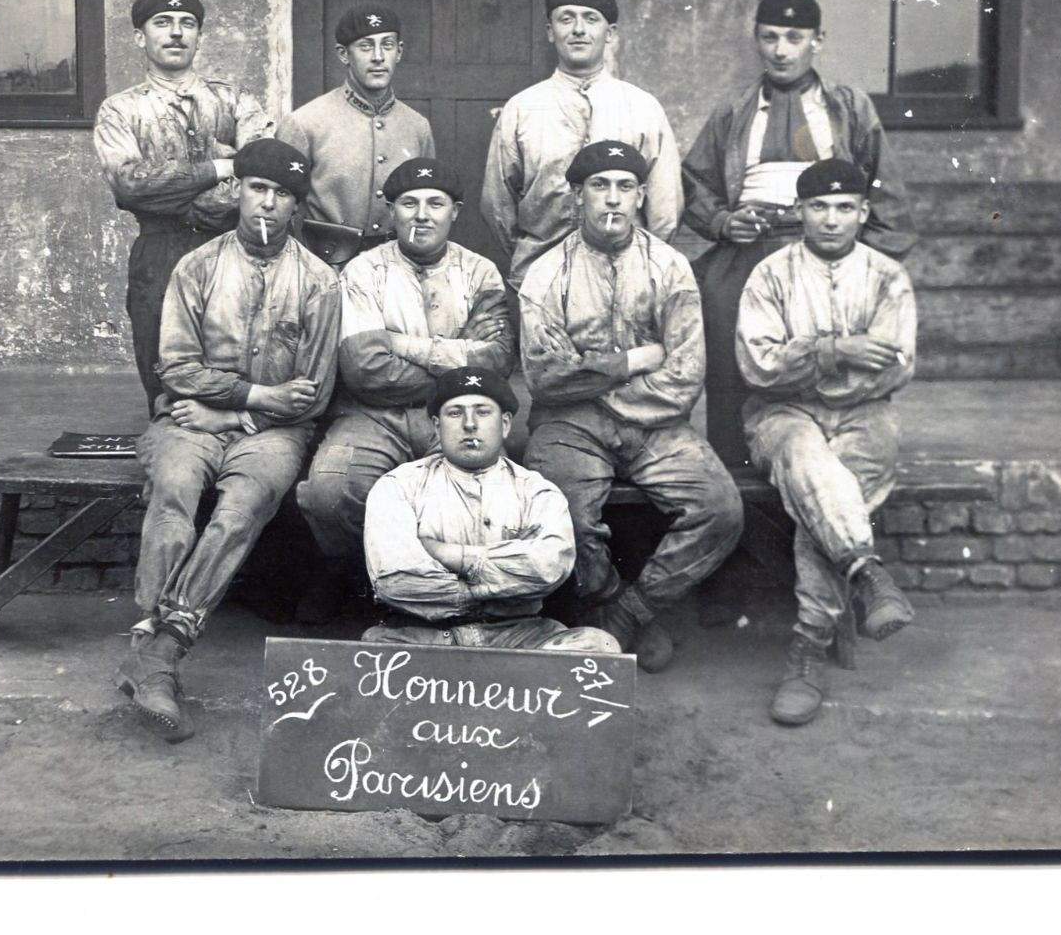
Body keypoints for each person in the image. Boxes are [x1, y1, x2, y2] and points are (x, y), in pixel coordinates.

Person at [115, 138, 340, 743]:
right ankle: (153, 639)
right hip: (186, 421)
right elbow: (176, 369)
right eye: (259, 189)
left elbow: (309, 394)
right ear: (237, 191)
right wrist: (257, 395)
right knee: (175, 488)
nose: (268, 204)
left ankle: (159, 651)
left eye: (284, 195)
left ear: (297, 206)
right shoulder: (198, 265)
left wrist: (238, 415)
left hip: (266, 433)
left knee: (242, 506)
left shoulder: (319, 281)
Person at [519, 141, 743, 673]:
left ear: (641, 195)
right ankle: (602, 597)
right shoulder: (546, 273)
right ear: (576, 197)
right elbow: (546, 379)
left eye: (625, 187)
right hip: (568, 427)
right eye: (599, 187)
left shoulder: (670, 267)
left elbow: (685, 377)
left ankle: (630, 612)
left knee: (721, 509)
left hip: (658, 426)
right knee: (561, 512)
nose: (613, 200)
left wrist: (595, 381)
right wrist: (633, 361)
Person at [682, 0, 918, 464]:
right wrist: (726, 222)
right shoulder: (735, 110)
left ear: (818, 40)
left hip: (821, 250)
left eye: (795, 37)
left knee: (827, 355)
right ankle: (734, 465)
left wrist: (862, 267)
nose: (781, 49)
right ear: (756, 40)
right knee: (732, 353)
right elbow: (694, 183)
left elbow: (884, 192)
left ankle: (825, 458)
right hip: (747, 252)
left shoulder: (848, 107)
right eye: (769, 37)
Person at [735, 158, 917, 727]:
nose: (831, 219)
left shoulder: (888, 276)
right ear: (799, 212)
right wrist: (837, 351)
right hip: (782, 414)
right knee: (808, 459)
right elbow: (759, 368)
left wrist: (805, 358)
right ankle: (861, 578)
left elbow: (892, 370)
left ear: (863, 212)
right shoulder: (770, 273)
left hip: (867, 417)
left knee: (833, 485)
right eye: (818, 207)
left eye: (844, 208)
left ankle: (810, 646)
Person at [296, 158, 514, 622]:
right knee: (329, 493)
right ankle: (355, 575)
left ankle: (450, 596)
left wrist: (401, 344)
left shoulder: (481, 273)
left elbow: (497, 360)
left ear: (454, 211)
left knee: (486, 489)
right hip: (372, 416)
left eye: (435, 203)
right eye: (408, 203)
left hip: (456, 414)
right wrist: (457, 358)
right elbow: (365, 369)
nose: (422, 214)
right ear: (390, 210)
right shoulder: (361, 272)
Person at [93, 0, 276, 416]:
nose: (176, 33)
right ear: (140, 37)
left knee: (235, 350)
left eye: (187, 24)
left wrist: (178, 196)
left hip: (231, 248)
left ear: (198, 36)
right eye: (163, 23)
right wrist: (220, 167)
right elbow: (130, 184)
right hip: (161, 251)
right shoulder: (120, 110)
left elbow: (263, 170)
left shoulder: (233, 100)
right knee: (163, 363)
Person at [362, 367, 619, 654]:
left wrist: (456, 557)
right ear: (436, 426)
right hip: (425, 634)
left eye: (483, 412)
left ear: (505, 424)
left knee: (600, 646)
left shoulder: (536, 491)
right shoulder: (398, 486)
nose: (469, 424)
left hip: (518, 635)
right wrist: (500, 586)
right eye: (455, 413)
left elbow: (549, 568)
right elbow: (395, 581)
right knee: (375, 655)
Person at [482, 0, 683, 288]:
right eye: (566, 18)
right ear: (550, 32)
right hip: (539, 278)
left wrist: (639, 267)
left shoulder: (642, 107)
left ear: (610, 34)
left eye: (590, 19)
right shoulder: (522, 108)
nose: (578, 29)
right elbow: (497, 205)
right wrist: (536, 262)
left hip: (627, 279)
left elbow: (665, 207)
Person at [278, 4, 436, 269]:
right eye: (365, 46)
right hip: (326, 269)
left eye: (387, 45)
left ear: (399, 52)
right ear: (343, 54)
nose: (378, 56)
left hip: (398, 270)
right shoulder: (305, 123)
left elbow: (429, 203)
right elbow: (280, 205)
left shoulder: (417, 126)